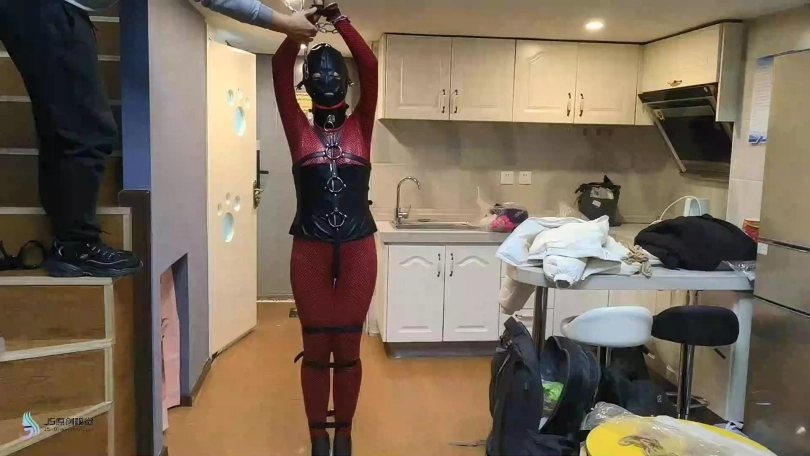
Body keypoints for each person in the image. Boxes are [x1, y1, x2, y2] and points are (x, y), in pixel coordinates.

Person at [0, 0, 317, 277]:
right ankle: (76, 247)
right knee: (90, 132)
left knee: (64, 129)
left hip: (54, 11)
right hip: (46, 9)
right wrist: (286, 24)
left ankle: (70, 243)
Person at [272, 2, 377, 455]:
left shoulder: (362, 128)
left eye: (336, 73)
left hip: (358, 248)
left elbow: (370, 65)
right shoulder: (297, 130)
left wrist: (339, 19)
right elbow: (279, 67)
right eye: (318, 72)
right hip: (310, 249)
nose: (328, 77)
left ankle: (344, 435)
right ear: (307, 83)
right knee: (315, 349)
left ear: (348, 82)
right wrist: (305, 24)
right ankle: (318, 437)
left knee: (348, 349)